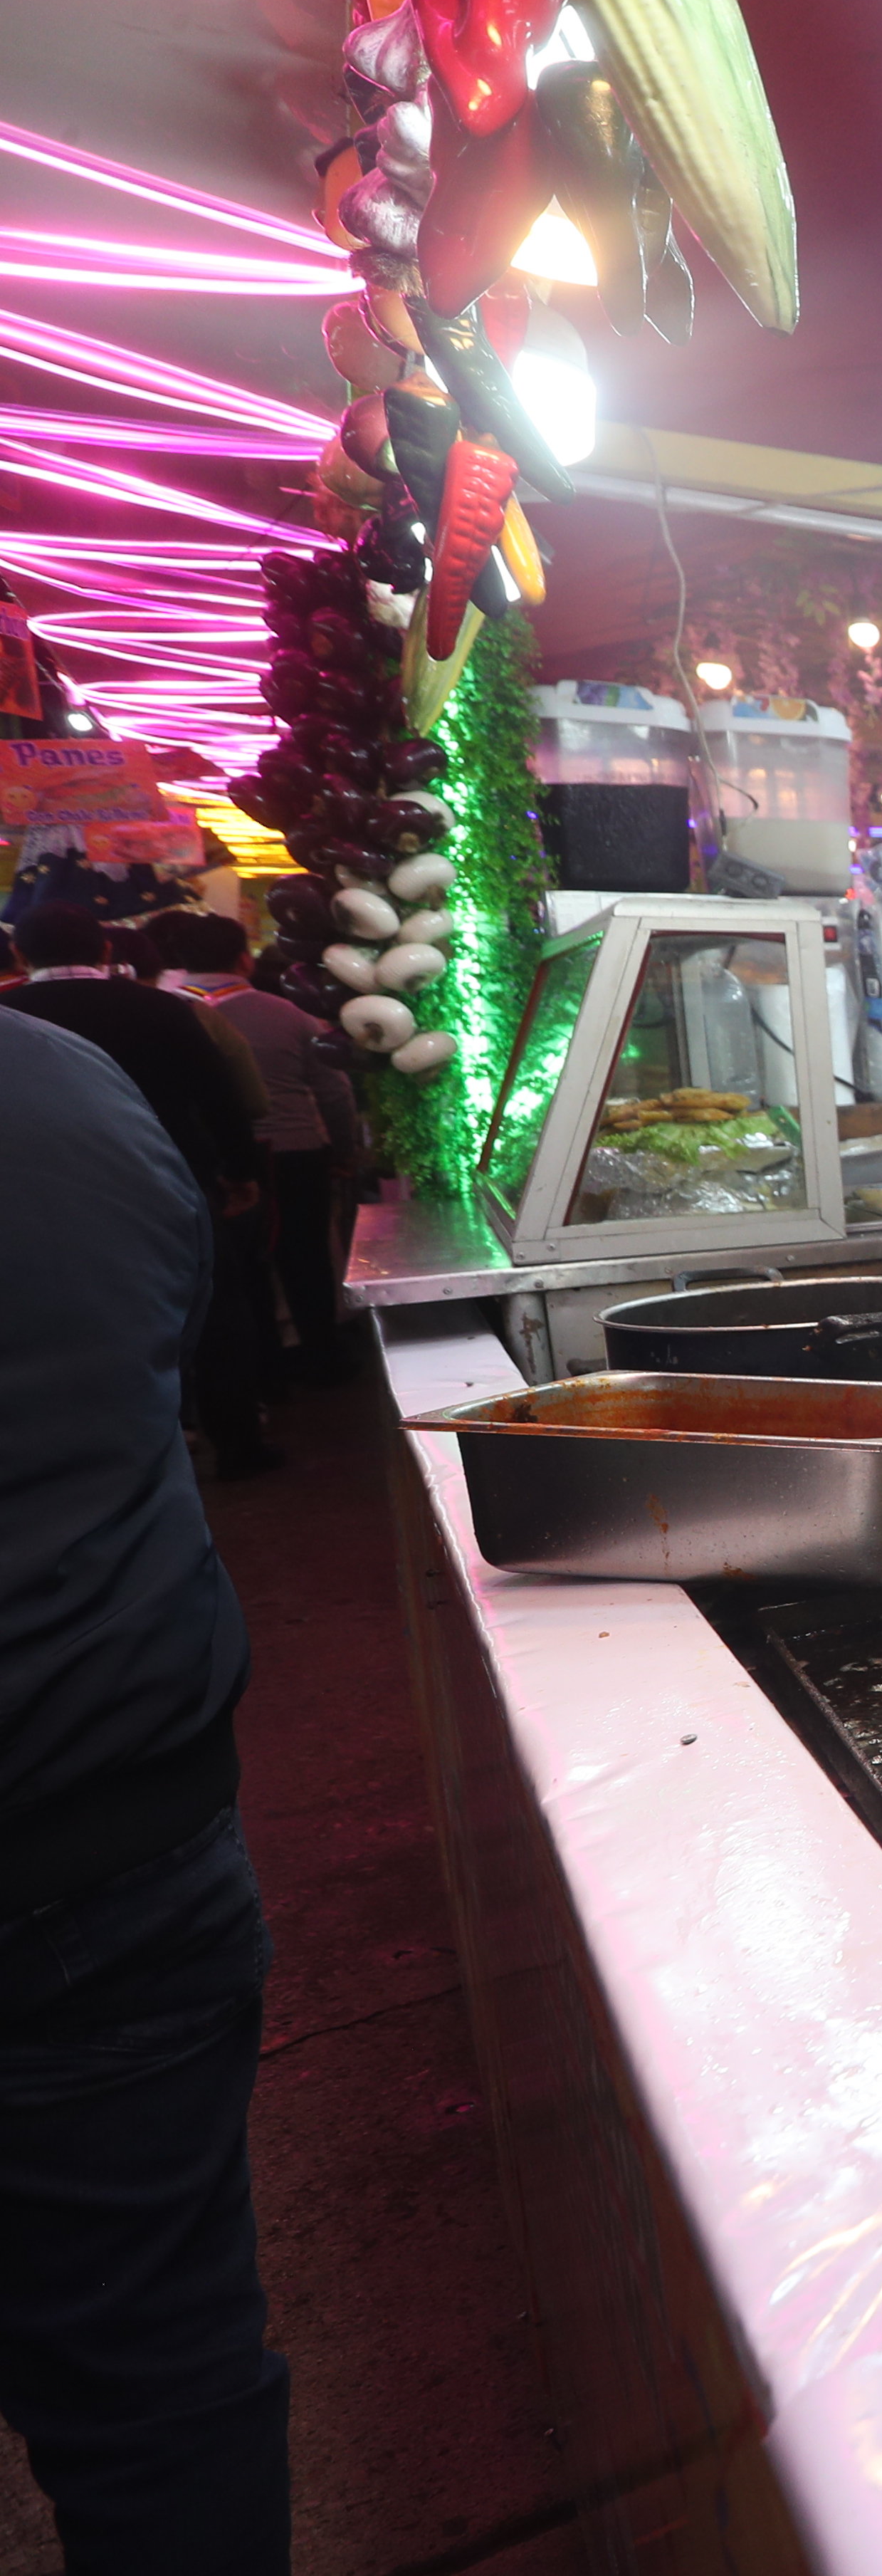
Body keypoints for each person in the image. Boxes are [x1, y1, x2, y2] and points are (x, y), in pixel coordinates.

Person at [0, 1005, 290, 2568]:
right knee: (162, 2390)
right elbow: (172, 1335)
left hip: (100, 1825)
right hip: (122, 1824)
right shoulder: (56, 1081)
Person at [3, 905, 277, 1472]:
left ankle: (116, 1452)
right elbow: (221, 1099)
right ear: (106, 951)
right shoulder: (163, 1008)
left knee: (75, 1320)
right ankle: (238, 1443)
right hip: (172, 1183)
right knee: (216, 1311)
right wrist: (239, 1172)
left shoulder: (12, 1019)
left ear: (20, 955)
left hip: (41, 1201)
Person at [164, 912, 362, 1382]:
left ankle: (263, 1373)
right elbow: (335, 1091)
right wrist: (344, 1151)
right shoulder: (289, 1014)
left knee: (235, 1267)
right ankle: (324, 1360)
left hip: (209, 1160)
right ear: (244, 960)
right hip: (297, 1152)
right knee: (307, 1257)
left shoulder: (164, 1012)